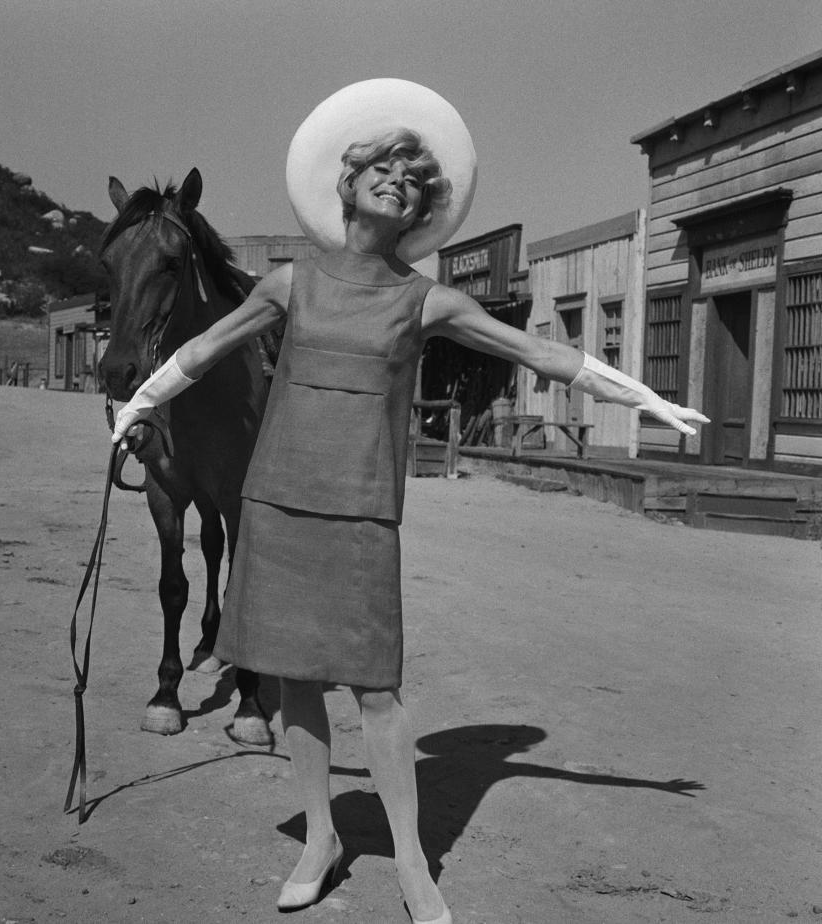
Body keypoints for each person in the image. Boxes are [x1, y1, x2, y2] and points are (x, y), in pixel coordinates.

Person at [111, 80, 708, 924]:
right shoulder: (289, 283)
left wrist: (647, 400)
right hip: (277, 502)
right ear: (348, 184)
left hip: (361, 511)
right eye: (382, 169)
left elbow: (538, 353)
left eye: (413, 179)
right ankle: (319, 837)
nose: (397, 181)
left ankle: (414, 865)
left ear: (420, 209)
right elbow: (203, 349)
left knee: (378, 694)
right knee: (294, 683)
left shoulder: (425, 299)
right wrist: (135, 411)